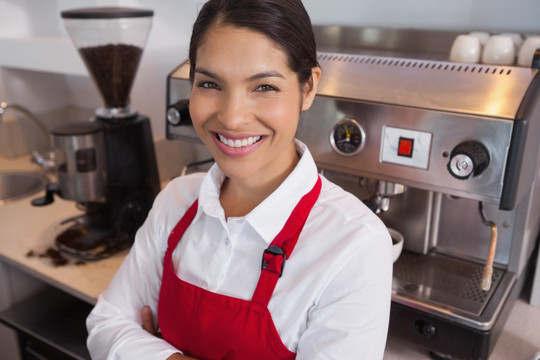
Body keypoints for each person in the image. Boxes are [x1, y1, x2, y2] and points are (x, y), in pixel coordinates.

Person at [86, 0, 393, 359]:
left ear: (308, 87)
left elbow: (121, 340)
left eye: (263, 87)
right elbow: (106, 324)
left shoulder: (354, 244)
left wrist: (148, 349)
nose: (231, 118)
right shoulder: (178, 200)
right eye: (210, 83)